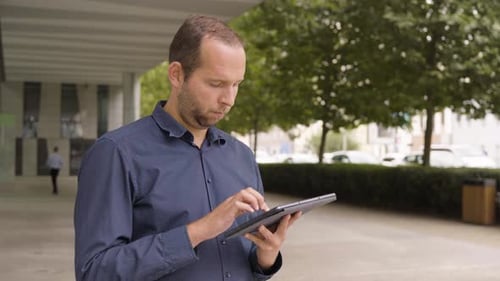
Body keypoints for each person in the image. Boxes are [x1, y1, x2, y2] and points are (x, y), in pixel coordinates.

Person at [74, 15, 301, 281]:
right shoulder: (116, 153)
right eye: (216, 84)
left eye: (236, 84)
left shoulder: (241, 155)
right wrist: (199, 230)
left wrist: (266, 256)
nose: (228, 99)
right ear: (177, 75)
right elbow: (95, 272)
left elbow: (245, 259)